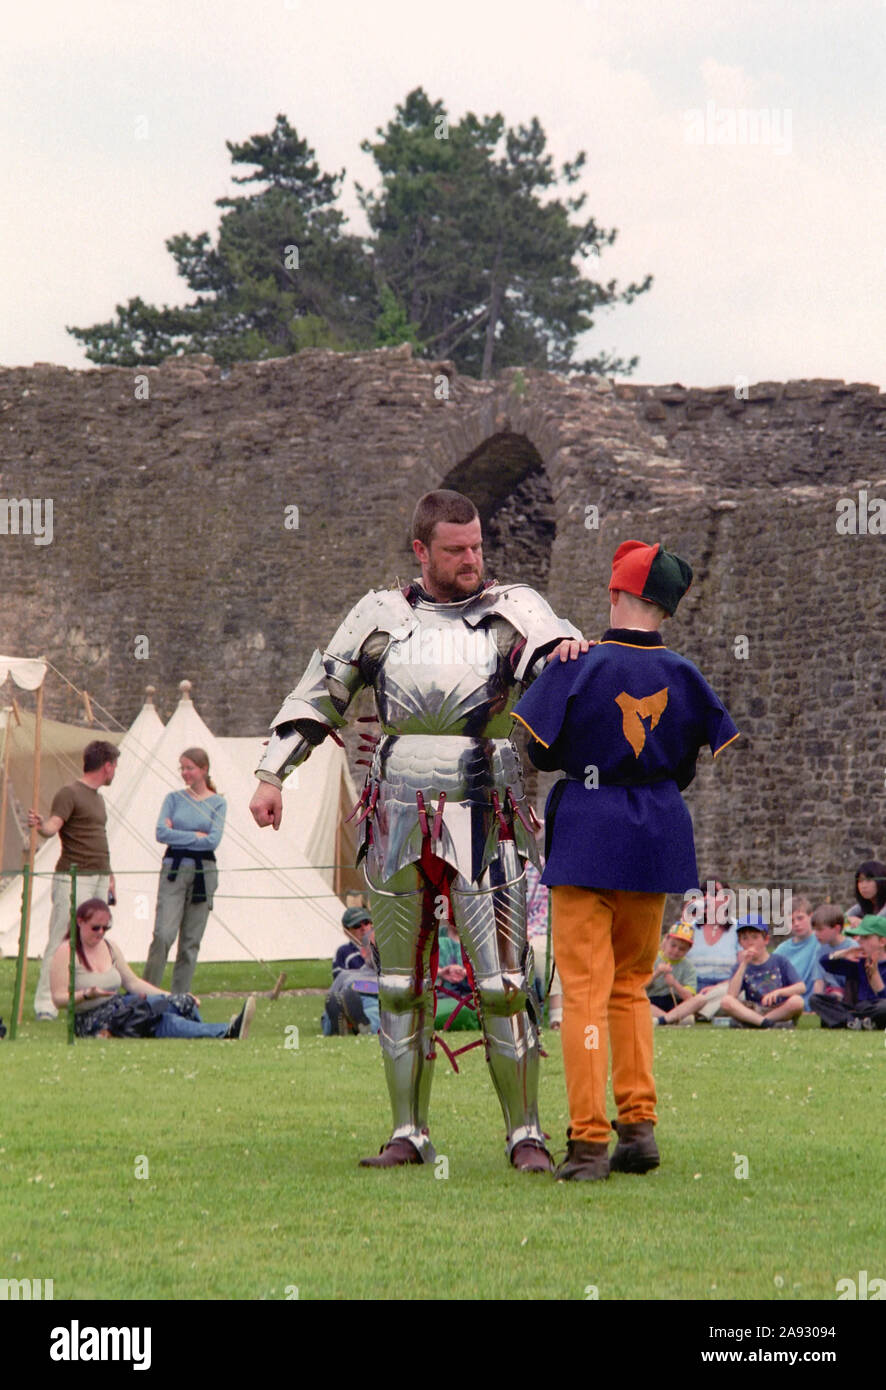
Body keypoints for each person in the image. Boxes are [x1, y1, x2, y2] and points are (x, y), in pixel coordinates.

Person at [249, 488, 585, 1173]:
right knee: (399, 984)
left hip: (483, 799)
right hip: (396, 806)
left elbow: (558, 660)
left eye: (478, 547)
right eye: (457, 549)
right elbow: (321, 691)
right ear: (421, 550)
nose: (472, 560)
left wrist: (568, 649)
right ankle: (409, 1131)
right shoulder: (379, 615)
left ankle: (526, 1134)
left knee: (503, 985)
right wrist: (271, 774)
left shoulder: (512, 610)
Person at [513, 539, 739, 1180]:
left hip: (588, 832)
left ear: (615, 593)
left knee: (582, 991)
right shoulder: (687, 675)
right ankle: (638, 1130)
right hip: (657, 836)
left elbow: (538, 754)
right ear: (665, 607)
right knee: (632, 987)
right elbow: (691, 766)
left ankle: (588, 1143)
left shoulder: (575, 663)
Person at [50, 898, 254, 1039]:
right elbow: (59, 999)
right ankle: (225, 1032)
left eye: (106, 928)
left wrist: (170, 996)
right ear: (80, 922)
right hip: (94, 1020)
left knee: (183, 1002)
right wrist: (87, 994)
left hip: (121, 1006)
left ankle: (218, 1031)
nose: (101, 932)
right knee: (164, 1021)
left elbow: (132, 982)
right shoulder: (66, 951)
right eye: (96, 927)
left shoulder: (110, 946)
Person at [28, 739, 120, 1021]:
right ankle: (46, 1003)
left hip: (99, 876)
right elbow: (53, 825)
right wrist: (40, 825)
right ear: (107, 766)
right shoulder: (69, 793)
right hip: (73, 876)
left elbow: (99, 839)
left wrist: (110, 875)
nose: (115, 771)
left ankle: (86, 997)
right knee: (62, 937)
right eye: (114, 766)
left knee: (94, 939)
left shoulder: (99, 799)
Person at [143, 748, 226, 997]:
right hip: (174, 870)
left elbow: (212, 841)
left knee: (190, 942)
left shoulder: (218, 802)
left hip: (204, 873)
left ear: (203, 769)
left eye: (189, 768)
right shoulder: (173, 799)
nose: (185, 773)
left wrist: (179, 834)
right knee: (163, 935)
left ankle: (179, 999)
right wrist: (193, 836)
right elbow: (161, 833)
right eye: (182, 768)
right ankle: (147, 993)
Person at [717, 915, 805, 1028]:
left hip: (778, 1008)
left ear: (766, 940)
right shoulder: (740, 966)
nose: (750, 943)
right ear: (740, 942)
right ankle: (765, 1023)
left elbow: (801, 987)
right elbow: (732, 995)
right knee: (726, 1001)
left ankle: (756, 1022)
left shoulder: (779, 960)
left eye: (755, 937)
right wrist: (744, 964)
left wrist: (779, 992)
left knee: (797, 1001)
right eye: (745, 938)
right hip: (755, 1009)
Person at [809, 916, 886, 1029]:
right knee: (816, 999)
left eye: (865, 937)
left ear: (882, 941)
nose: (859, 941)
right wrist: (842, 954)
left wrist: (876, 979)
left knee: (883, 1007)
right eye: (859, 937)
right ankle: (858, 1023)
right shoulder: (859, 961)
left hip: (878, 1009)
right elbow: (825, 963)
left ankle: (849, 1022)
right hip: (857, 1009)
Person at [771, 895, 823, 1009]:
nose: (796, 924)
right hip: (788, 1003)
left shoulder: (822, 941)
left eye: (800, 918)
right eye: (791, 920)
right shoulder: (782, 950)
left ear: (811, 916)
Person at [647, 921, 698, 1021]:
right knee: (643, 1005)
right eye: (673, 945)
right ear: (666, 940)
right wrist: (657, 972)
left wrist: (674, 983)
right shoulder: (652, 959)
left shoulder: (688, 967)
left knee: (701, 999)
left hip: (675, 1003)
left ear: (688, 950)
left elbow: (689, 998)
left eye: (682, 949)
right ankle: (671, 1019)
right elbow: (640, 987)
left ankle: (664, 1019)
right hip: (653, 1001)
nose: (676, 951)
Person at [811, 904, 851, 999]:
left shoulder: (851, 947)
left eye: (820, 930)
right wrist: (817, 1000)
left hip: (851, 993)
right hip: (832, 993)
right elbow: (819, 981)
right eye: (815, 930)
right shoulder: (820, 950)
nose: (816, 934)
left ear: (836, 929)